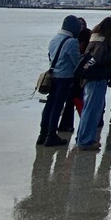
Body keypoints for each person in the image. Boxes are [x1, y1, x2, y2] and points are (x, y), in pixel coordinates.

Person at [37, 15, 82, 147]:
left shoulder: (54, 39)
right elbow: (76, 62)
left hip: (53, 76)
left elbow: (50, 56)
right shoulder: (71, 42)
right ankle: (51, 135)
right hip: (65, 78)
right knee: (57, 107)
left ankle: (42, 135)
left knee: (49, 105)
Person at [75, 17, 111, 151]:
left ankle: (82, 137)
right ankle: (86, 141)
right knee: (92, 110)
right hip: (97, 78)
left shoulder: (93, 38)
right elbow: (100, 59)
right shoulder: (102, 42)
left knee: (88, 109)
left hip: (89, 78)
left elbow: (92, 59)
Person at [57, 16, 90, 136]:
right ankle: (67, 124)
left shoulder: (84, 36)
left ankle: (73, 124)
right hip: (72, 73)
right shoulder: (71, 40)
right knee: (72, 99)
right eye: (78, 24)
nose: (80, 27)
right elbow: (76, 59)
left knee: (76, 99)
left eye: (82, 24)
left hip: (76, 74)